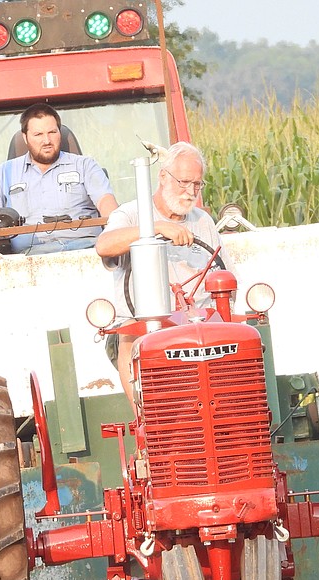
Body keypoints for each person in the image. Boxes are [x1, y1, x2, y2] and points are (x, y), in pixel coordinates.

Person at [95, 141, 225, 410]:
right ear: (163, 177)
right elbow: (104, 245)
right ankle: (147, 429)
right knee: (129, 337)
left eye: (197, 185)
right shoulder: (131, 214)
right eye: (184, 182)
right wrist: (156, 229)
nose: (191, 192)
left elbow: (224, 275)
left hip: (197, 324)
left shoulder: (203, 222)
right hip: (147, 326)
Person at [0, 103, 118, 255]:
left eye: (52, 132)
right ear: (25, 137)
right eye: (38, 134)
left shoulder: (85, 165)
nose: (47, 141)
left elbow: (106, 202)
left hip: (86, 250)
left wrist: (116, 231)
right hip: (28, 258)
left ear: (59, 132)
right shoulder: (4, 172)